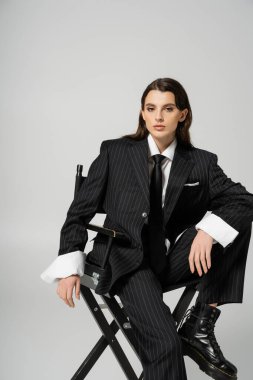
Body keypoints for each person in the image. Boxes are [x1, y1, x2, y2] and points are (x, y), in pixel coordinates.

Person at [41, 78, 253, 380]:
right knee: (165, 343)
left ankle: (200, 321)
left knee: (237, 219)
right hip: (126, 261)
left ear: (182, 115)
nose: (158, 117)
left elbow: (243, 201)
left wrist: (207, 231)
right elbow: (79, 212)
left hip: (172, 259)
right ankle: (181, 337)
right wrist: (70, 264)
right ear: (142, 113)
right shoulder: (116, 153)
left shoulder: (200, 163)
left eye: (167, 109)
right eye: (151, 108)